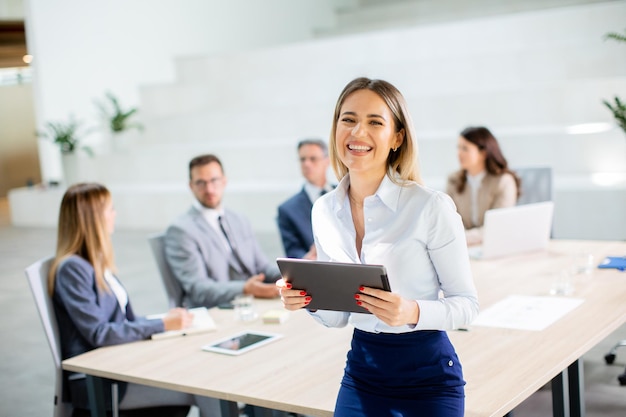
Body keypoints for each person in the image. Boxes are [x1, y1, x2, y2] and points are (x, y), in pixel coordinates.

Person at [277, 77, 479, 417]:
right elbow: (339, 318)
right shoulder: (324, 211)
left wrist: (411, 312)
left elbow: (468, 306)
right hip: (363, 372)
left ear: (397, 137)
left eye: (375, 122)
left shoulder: (430, 207)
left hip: (427, 377)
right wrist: (307, 300)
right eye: (349, 119)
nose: (358, 133)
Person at [49, 183, 220, 416]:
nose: (114, 214)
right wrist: (161, 325)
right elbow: (99, 332)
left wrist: (165, 321)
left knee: (196, 370)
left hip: (119, 365)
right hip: (99, 379)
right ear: (93, 218)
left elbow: (124, 320)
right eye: (110, 209)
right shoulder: (73, 269)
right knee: (205, 388)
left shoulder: (96, 263)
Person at [164, 154, 280, 309]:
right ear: (191, 186)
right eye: (201, 183)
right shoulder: (181, 231)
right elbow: (198, 289)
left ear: (224, 181)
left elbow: (262, 267)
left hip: (254, 304)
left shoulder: (239, 219)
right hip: (218, 309)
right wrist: (245, 288)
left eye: (214, 180)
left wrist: (291, 276)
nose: (209, 189)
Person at [446, 126, 521, 245]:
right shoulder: (453, 181)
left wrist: (460, 238)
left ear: (483, 153)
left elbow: (497, 228)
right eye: (458, 148)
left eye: (465, 148)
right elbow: (449, 222)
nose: (459, 153)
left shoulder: (504, 182)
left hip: (496, 245)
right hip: (463, 248)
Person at [277, 138, 333, 259]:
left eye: (313, 159)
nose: (306, 164)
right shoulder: (288, 210)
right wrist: (307, 258)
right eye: (302, 159)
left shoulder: (347, 193)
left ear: (327, 161)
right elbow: (293, 253)